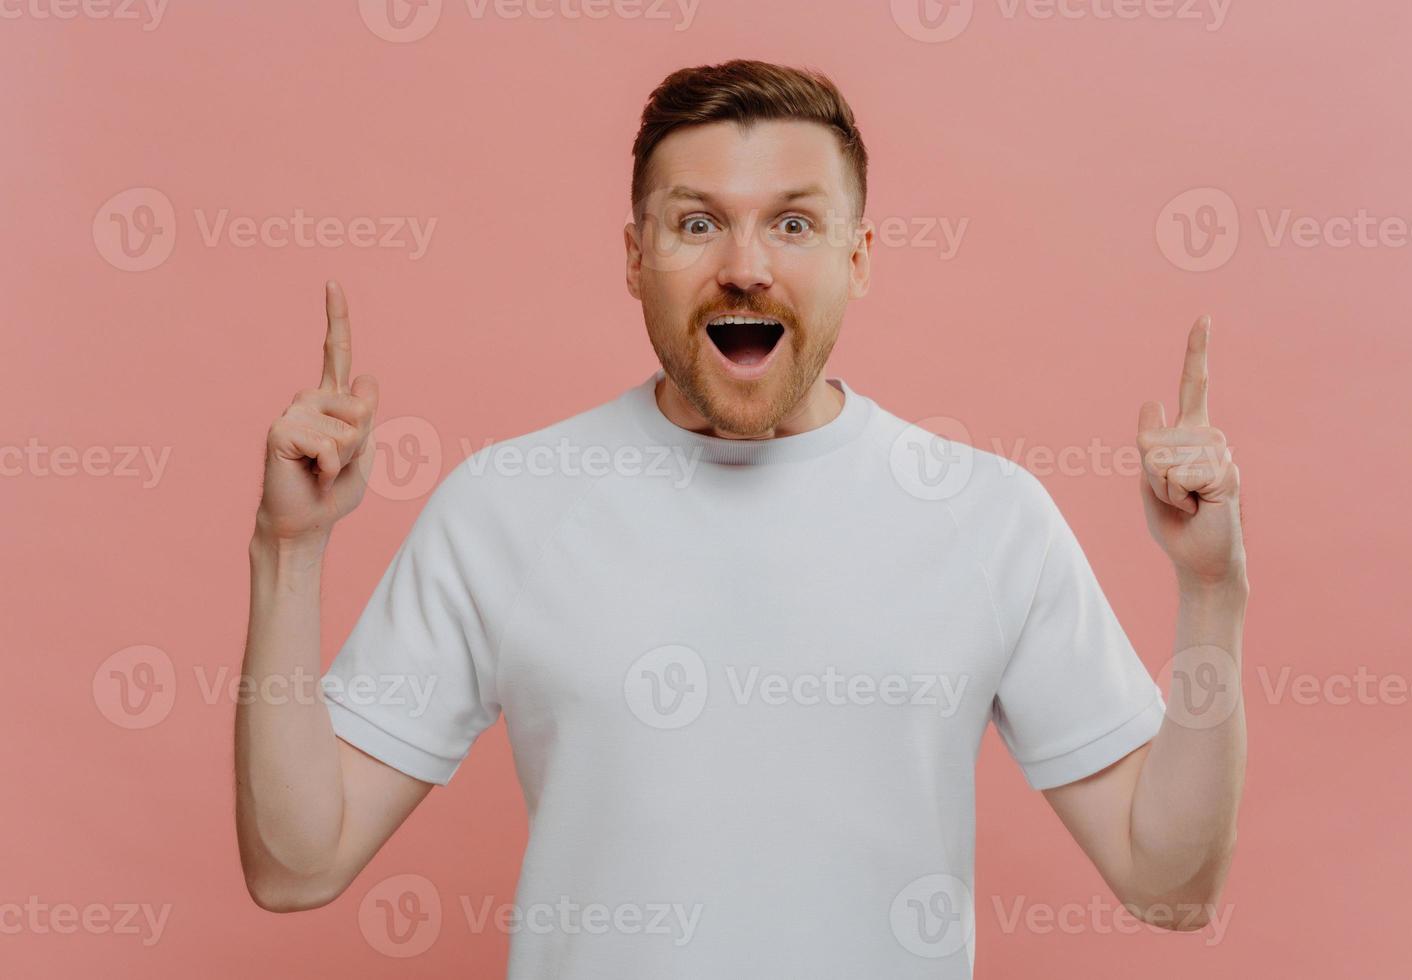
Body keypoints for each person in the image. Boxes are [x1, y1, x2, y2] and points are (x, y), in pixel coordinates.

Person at [234, 59, 1248, 978]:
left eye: (794, 223)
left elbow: (1172, 882)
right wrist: (289, 549)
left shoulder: (987, 516)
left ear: (859, 258)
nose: (746, 266)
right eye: (697, 221)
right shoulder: (507, 502)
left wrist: (1209, 595)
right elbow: (296, 862)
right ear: (635, 257)